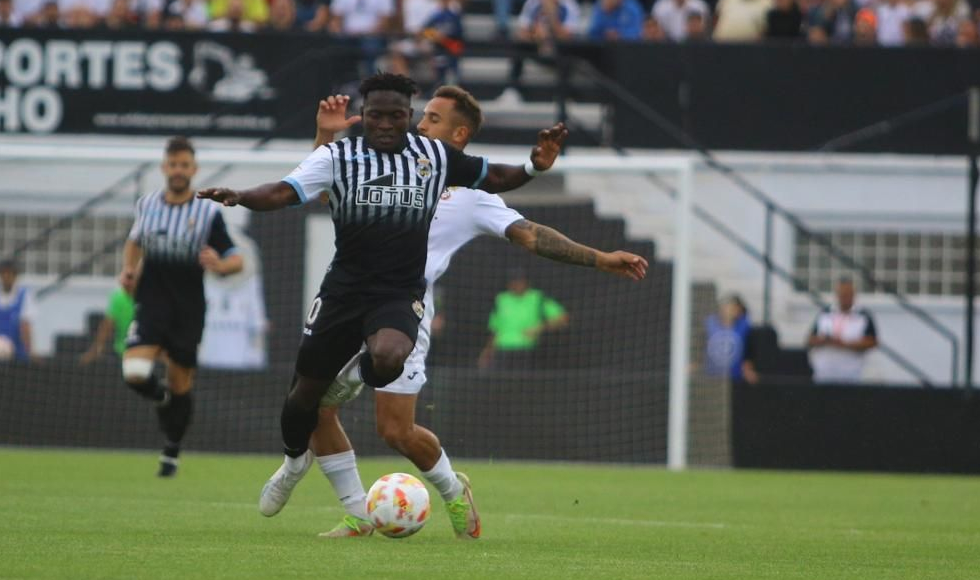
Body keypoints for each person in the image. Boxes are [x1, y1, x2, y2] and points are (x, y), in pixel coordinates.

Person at [198, 73, 565, 536]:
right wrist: (241, 195)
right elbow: (290, 190)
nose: (388, 124)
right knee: (306, 403)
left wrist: (534, 168)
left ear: (407, 118)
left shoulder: (437, 160)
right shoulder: (340, 156)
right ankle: (313, 479)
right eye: (377, 116)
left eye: (400, 116)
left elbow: (498, 182)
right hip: (343, 294)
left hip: (401, 297)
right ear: (365, 117)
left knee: (391, 395)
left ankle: (440, 479)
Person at [268, 90, 645, 537]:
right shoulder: (385, 164)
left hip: (402, 315)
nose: (421, 126)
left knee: (395, 431)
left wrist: (601, 258)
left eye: (433, 118)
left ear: (459, 134)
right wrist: (323, 136)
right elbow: (321, 191)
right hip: (347, 304)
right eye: (422, 117)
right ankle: (358, 513)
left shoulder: (470, 194)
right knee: (314, 408)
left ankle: (451, 489)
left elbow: (529, 235)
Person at [118, 136, 244, 478]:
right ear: (164, 168)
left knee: (181, 384)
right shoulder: (147, 204)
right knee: (134, 374)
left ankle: (172, 450)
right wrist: (128, 269)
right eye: (173, 164)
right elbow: (134, 243)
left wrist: (220, 264)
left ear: (193, 169)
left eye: (184, 165)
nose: (178, 170)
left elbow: (237, 260)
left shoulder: (206, 212)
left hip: (188, 310)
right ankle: (160, 399)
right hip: (151, 303)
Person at [478, 272, 569, 369]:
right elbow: (495, 329)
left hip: (528, 350)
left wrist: (540, 327)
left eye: (520, 281)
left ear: (526, 282)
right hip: (503, 350)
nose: (517, 285)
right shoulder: (501, 299)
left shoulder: (537, 297)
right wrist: (488, 351)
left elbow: (563, 318)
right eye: (514, 282)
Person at [807, 278, 878, 383]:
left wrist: (844, 344)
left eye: (848, 295)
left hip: (850, 375)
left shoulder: (862, 315)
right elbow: (810, 339)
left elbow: (872, 341)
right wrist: (825, 340)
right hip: (823, 374)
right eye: (842, 294)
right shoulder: (825, 313)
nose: (845, 298)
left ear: (854, 296)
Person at [704, 294, 759, 382]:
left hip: (734, 380)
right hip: (710, 379)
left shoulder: (745, 328)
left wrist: (747, 369)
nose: (728, 310)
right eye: (726, 307)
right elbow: (699, 349)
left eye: (733, 308)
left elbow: (749, 353)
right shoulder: (709, 325)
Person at [79, 284, 136, 367]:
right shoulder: (119, 297)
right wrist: (96, 350)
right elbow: (107, 325)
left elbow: (107, 325)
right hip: (124, 353)